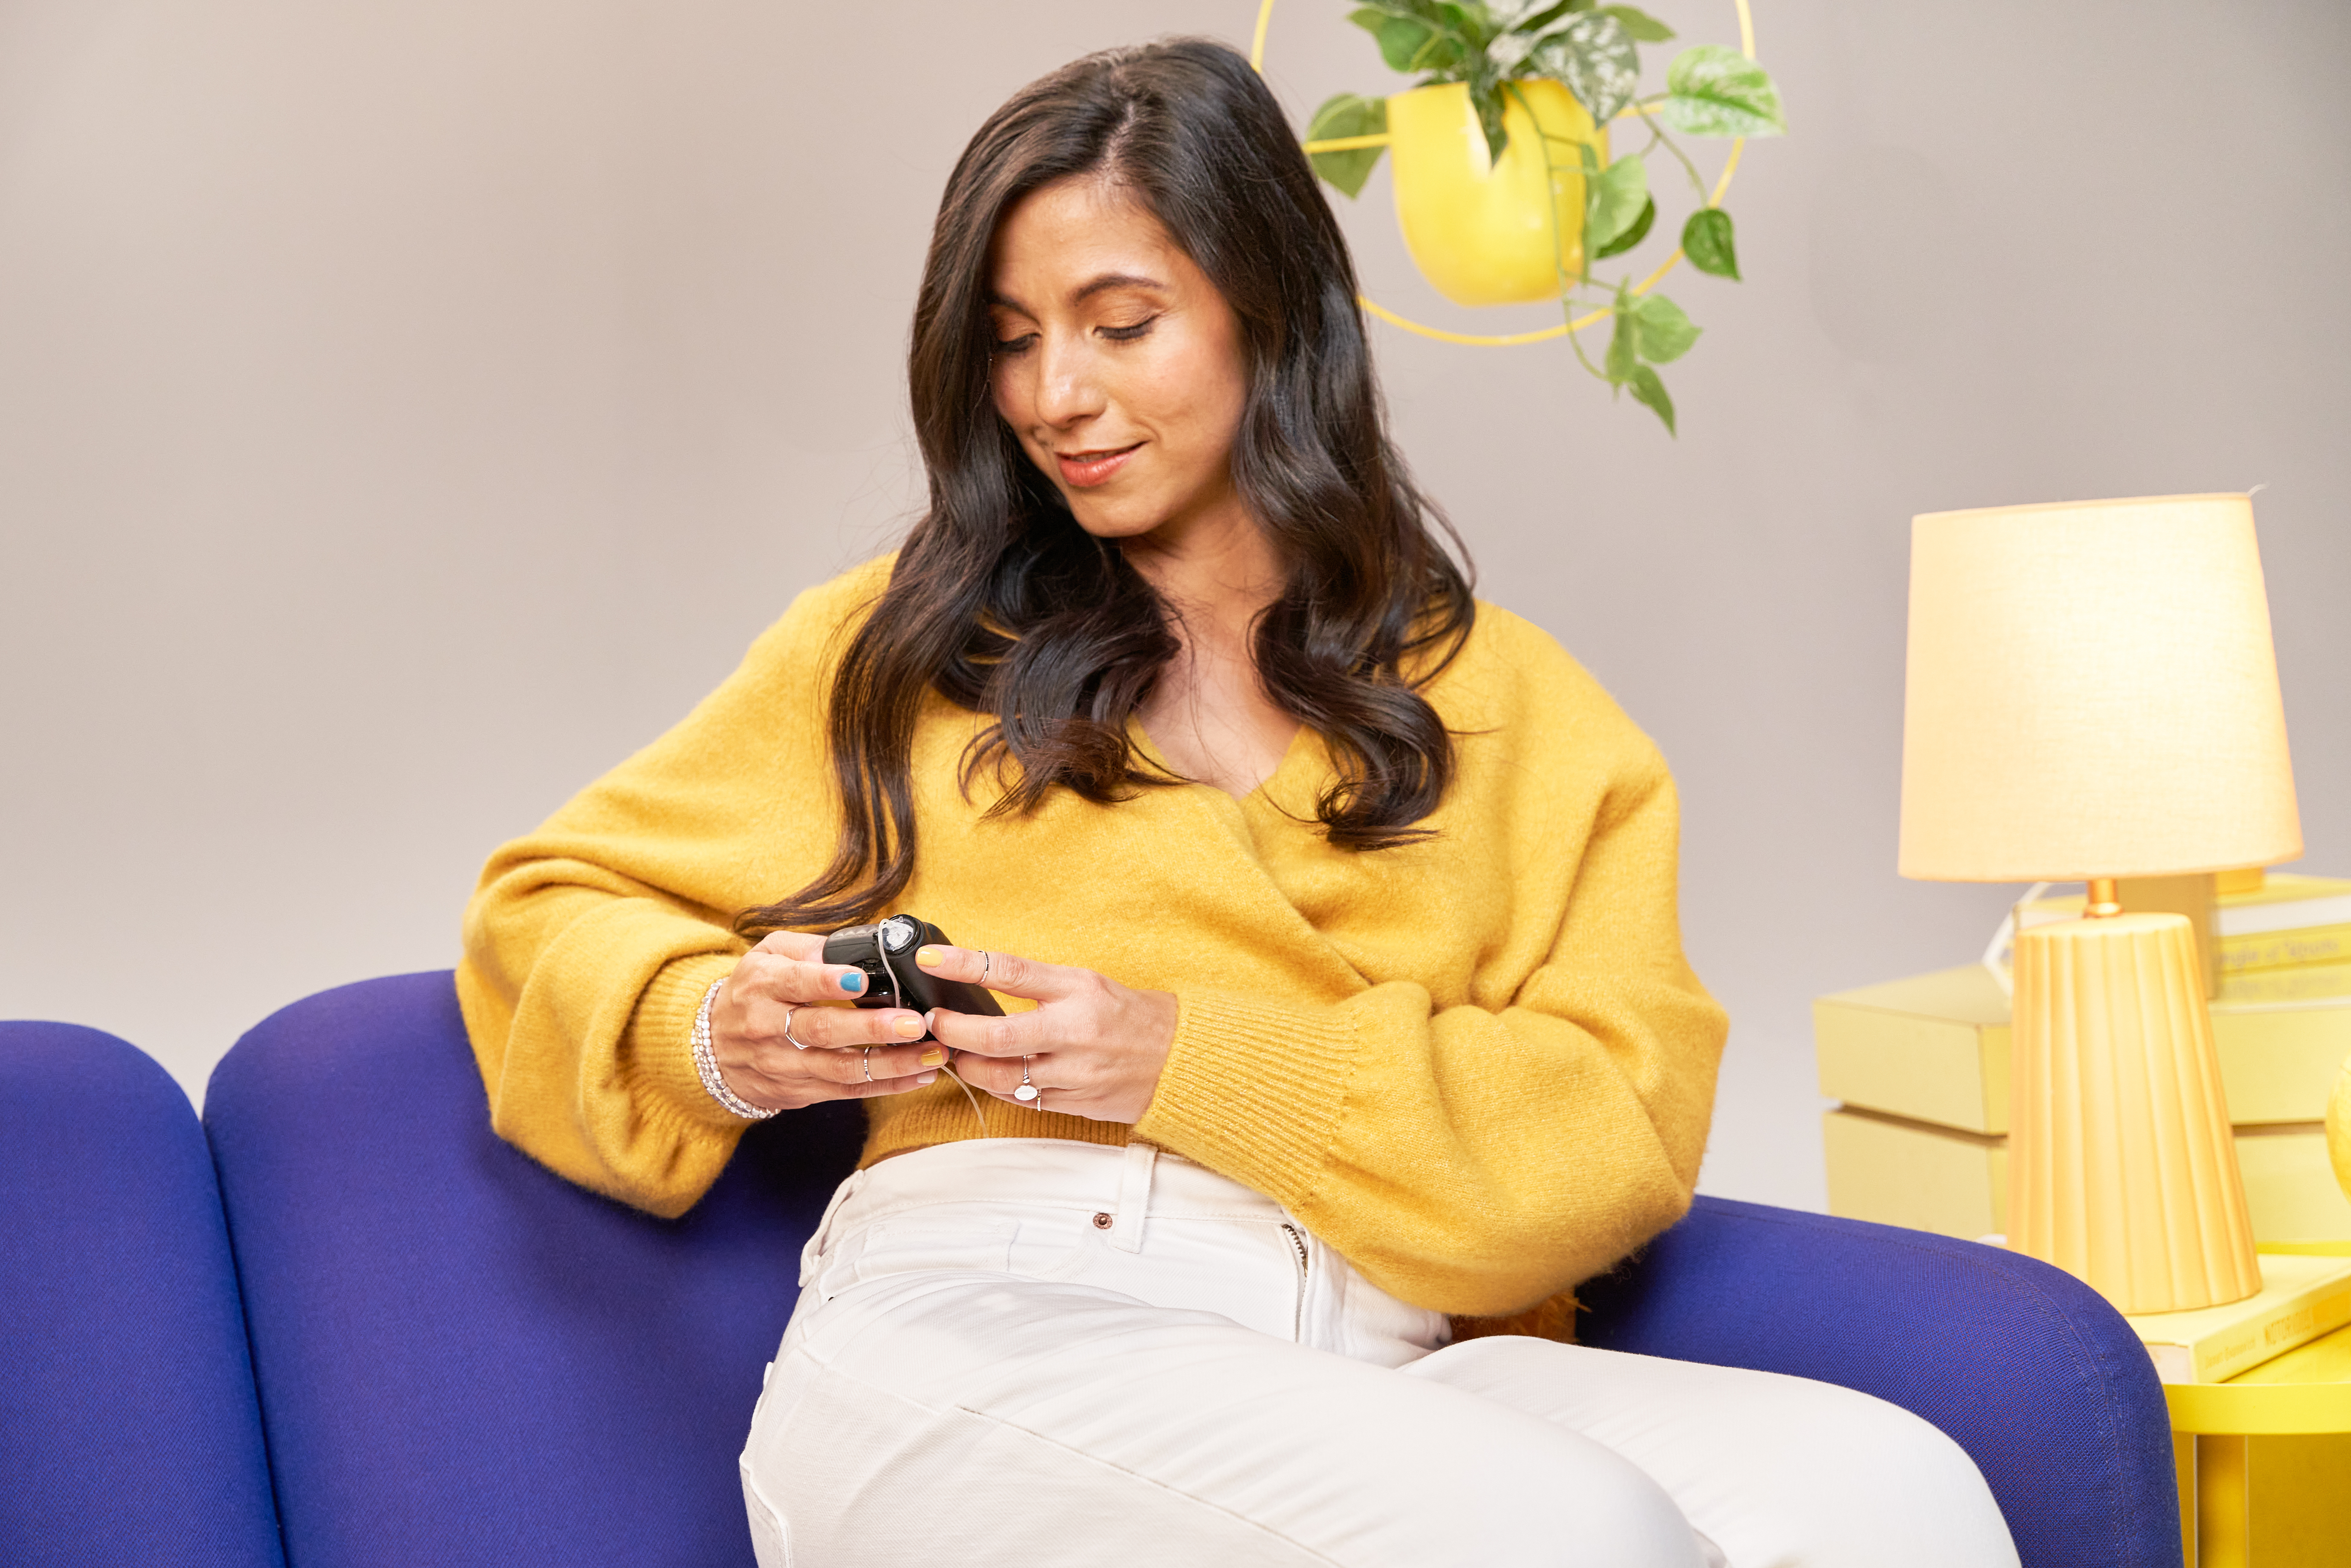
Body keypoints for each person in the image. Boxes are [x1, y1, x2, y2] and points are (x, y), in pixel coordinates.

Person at [457, 38, 2019, 1568]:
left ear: (1273, 314)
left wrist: (1184, 1058)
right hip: (982, 1325)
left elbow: (1612, 1125)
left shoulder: (1520, 707)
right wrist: (718, 1034)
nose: (1055, 394)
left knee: (1892, 1493)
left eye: (1121, 322)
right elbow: (544, 910)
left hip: (1382, 1354)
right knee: (1559, 1528)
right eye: (1010, 340)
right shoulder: (904, 648)